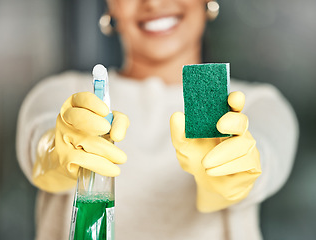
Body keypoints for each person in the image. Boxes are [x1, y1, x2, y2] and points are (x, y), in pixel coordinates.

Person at [16, 0, 299, 239]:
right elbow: (40, 155)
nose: (152, 2)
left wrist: (229, 177)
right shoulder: (62, 94)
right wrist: (57, 153)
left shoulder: (257, 104)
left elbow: (265, 159)